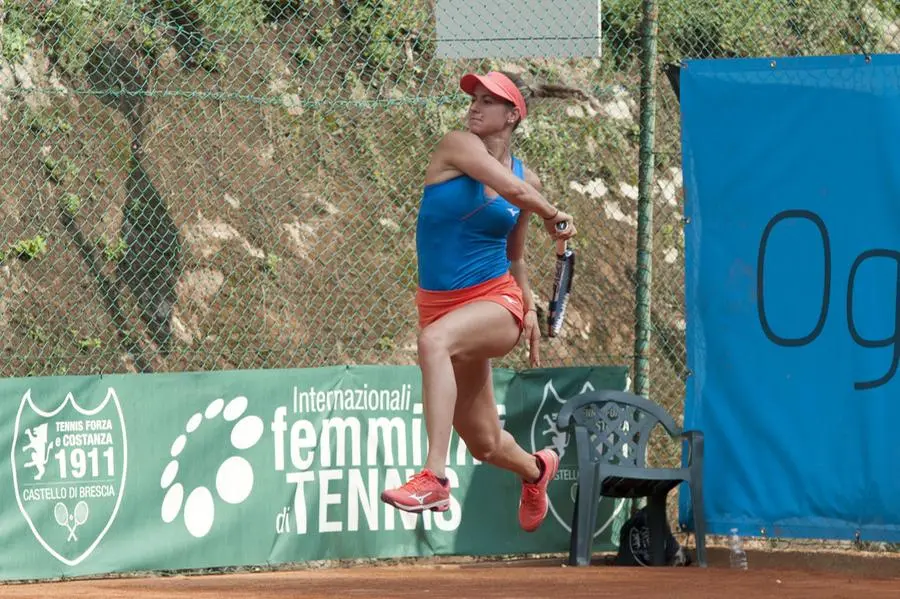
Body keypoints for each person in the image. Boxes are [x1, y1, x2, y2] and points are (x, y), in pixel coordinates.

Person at [380, 70, 578, 533]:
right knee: (485, 443)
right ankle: (536, 471)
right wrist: (553, 214)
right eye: (474, 98)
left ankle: (433, 477)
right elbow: (514, 194)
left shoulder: (526, 175)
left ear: (512, 116)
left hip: (495, 300)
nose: (475, 106)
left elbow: (515, 256)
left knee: (434, 343)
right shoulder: (457, 146)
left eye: (489, 101)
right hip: (441, 304)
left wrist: (527, 306)